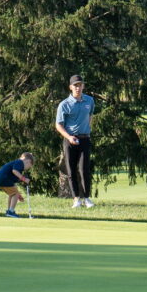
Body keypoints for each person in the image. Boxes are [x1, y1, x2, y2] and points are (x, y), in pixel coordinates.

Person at [55, 74, 96, 208]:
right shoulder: (64, 104)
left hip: (84, 139)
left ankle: (86, 198)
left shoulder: (89, 101)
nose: (78, 88)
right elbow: (58, 125)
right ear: (70, 87)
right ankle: (76, 199)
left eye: (80, 85)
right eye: (75, 85)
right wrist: (69, 137)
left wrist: (86, 130)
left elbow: (90, 116)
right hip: (70, 140)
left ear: (83, 86)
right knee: (71, 170)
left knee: (84, 169)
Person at [0, 152, 35, 218]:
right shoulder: (20, 162)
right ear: (28, 161)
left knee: (13, 194)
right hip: (4, 178)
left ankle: (9, 211)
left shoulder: (18, 165)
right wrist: (24, 179)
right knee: (14, 193)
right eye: (29, 166)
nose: (28, 168)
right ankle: (11, 211)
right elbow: (14, 171)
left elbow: (13, 185)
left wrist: (18, 195)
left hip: (1, 179)